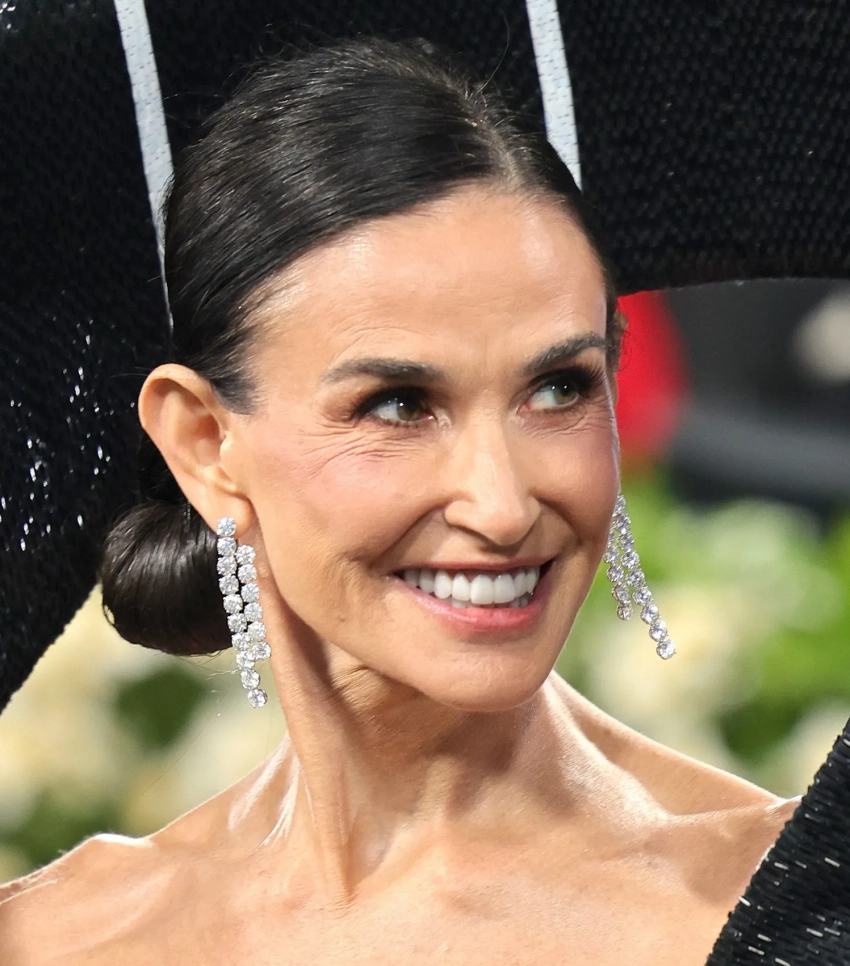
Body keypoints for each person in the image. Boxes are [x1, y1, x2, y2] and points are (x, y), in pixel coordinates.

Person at [0, 38, 797, 965]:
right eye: (399, 406)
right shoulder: (58, 937)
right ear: (206, 445)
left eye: (557, 389)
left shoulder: (777, 911)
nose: (502, 507)